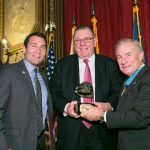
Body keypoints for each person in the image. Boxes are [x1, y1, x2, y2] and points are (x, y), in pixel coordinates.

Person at [49, 25, 122, 150]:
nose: (82, 44)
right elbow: (53, 93)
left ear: (94, 41)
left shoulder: (110, 65)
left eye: (86, 39)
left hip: (102, 130)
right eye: (77, 40)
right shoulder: (62, 65)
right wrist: (67, 107)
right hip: (71, 132)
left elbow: (117, 92)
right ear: (74, 43)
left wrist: (107, 106)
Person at [80, 38, 150, 150]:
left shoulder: (147, 79)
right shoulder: (129, 81)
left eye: (128, 55)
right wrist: (107, 108)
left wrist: (102, 115)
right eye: (119, 57)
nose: (123, 61)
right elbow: (126, 111)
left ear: (141, 55)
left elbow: (140, 117)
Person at [0, 32, 55, 150]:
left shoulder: (44, 77)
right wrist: (4, 146)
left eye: (42, 47)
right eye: (34, 46)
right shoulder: (9, 73)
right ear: (24, 49)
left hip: (42, 142)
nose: (38, 51)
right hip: (16, 144)